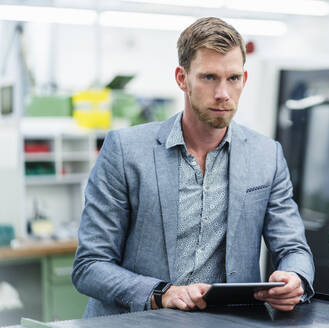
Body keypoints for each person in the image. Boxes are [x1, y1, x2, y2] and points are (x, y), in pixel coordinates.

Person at [72, 17, 314, 317]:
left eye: (233, 78)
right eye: (209, 77)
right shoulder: (125, 150)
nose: (223, 93)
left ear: (244, 79)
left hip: (227, 322)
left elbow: (293, 249)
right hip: (136, 321)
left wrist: (294, 277)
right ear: (182, 78)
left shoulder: (267, 155)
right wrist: (161, 294)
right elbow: (90, 265)